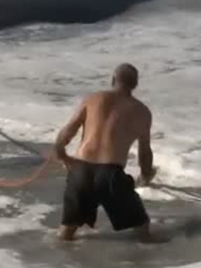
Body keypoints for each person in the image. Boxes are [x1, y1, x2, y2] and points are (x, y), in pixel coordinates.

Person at [54, 63, 157, 242]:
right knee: (142, 229)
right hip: (110, 176)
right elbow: (145, 152)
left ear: (112, 80)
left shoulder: (93, 99)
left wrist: (62, 156)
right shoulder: (142, 112)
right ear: (135, 85)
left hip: (80, 171)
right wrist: (146, 175)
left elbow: (67, 131)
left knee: (67, 232)